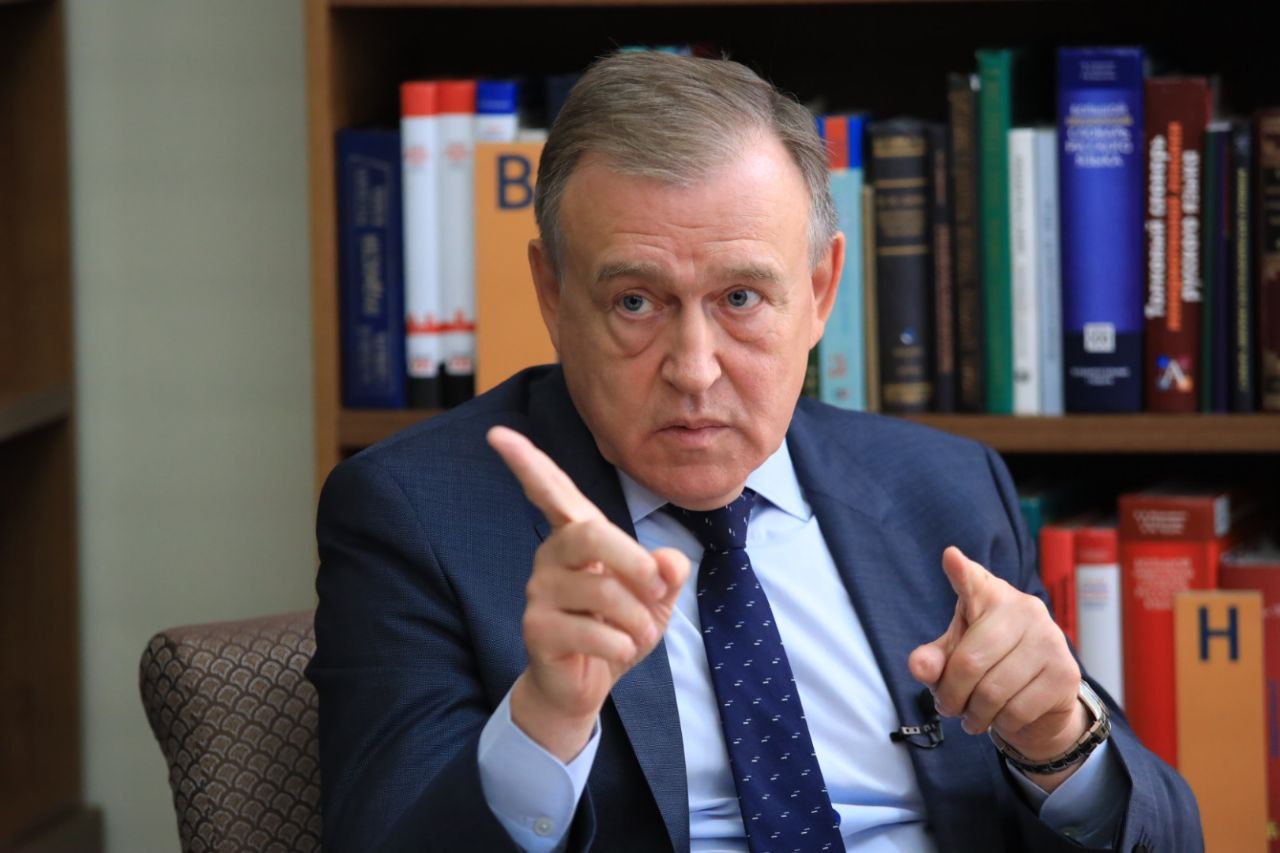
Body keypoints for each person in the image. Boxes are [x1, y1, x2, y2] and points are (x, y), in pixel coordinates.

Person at [308, 52, 1200, 852]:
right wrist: (546, 720)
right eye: (635, 302)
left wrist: (1057, 742)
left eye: (740, 298)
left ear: (820, 291)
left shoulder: (947, 486)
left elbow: (1171, 836)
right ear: (552, 291)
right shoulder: (416, 512)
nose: (694, 369)